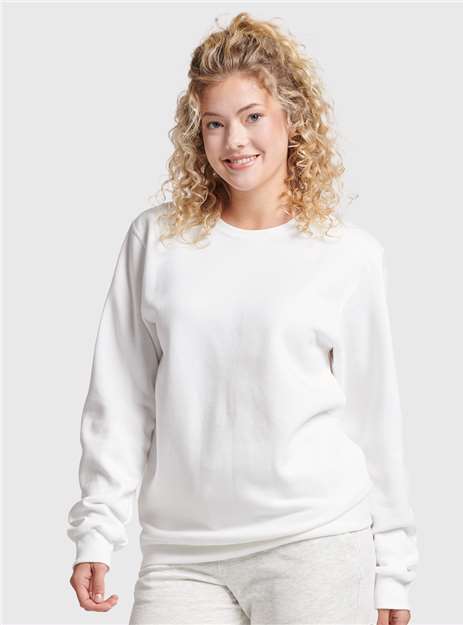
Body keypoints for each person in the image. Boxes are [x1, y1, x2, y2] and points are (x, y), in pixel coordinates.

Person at [67, 11, 419, 625]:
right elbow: (120, 397)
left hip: (314, 544)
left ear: (291, 118)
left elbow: (374, 416)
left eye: (253, 116)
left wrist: (393, 569)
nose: (235, 141)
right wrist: (97, 529)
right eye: (215, 123)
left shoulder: (347, 254)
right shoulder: (158, 240)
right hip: (182, 555)